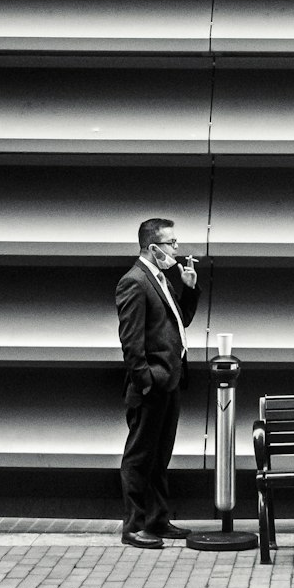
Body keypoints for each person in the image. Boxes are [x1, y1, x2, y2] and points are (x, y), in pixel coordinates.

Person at [115, 217, 201, 549]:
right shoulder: (134, 282)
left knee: (159, 455)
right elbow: (131, 342)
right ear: (153, 247)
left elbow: (182, 320)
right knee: (139, 457)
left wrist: (189, 287)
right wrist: (146, 381)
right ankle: (134, 526)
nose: (176, 250)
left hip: (169, 382)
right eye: (171, 244)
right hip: (152, 385)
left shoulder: (160, 279)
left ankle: (157, 519)